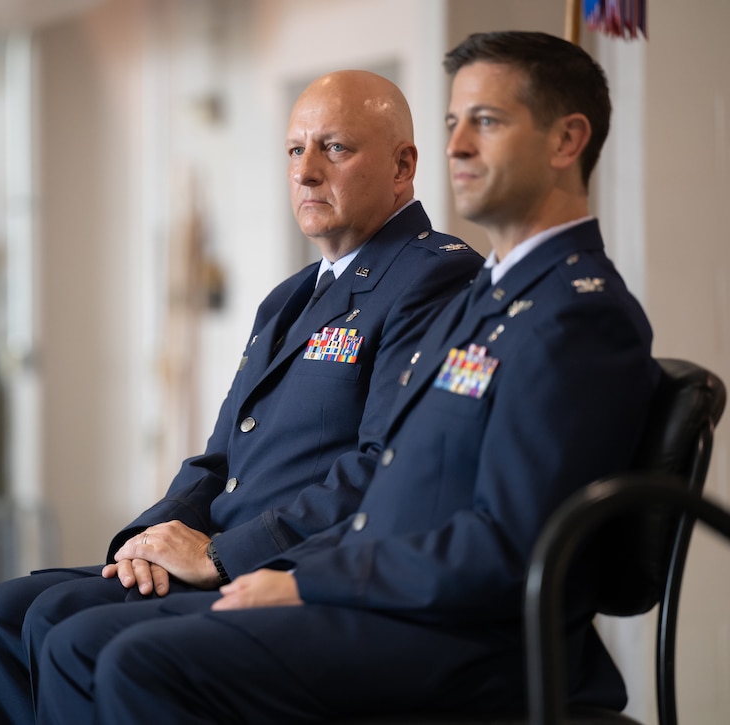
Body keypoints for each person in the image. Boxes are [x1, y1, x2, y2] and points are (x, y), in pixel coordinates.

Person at [34, 31, 662, 724]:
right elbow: (392, 492)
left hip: (466, 643)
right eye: (453, 123)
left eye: (485, 122)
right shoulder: (489, 300)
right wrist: (286, 572)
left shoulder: (578, 315)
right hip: (394, 607)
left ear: (566, 141)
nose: (456, 146)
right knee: (65, 633)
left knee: (136, 660)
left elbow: (509, 548)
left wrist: (305, 581)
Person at [0, 70, 484, 723]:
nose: (307, 171)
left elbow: (379, 469)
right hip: (223, 552)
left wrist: (218, 555)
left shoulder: (432, 275)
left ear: (404, 165)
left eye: (336, 148)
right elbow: (219, 460)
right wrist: (150, 537)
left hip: (288, 566)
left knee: (69, 632)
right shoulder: (290, 296)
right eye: (295, 150)